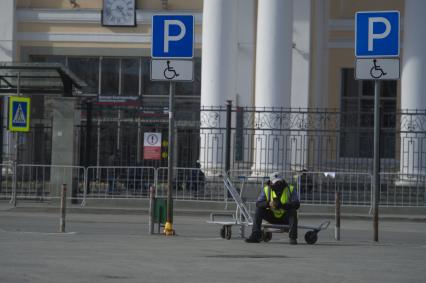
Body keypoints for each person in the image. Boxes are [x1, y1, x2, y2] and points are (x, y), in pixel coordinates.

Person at [245, 172, 300, 244]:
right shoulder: (266, 189)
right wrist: (268, 204)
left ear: (282, 181)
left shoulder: (290, 189)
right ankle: (255, 236)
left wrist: (282, 205)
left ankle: (293, 237)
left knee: (292, 211)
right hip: (272, 216)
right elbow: (258, 204)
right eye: (275, 182)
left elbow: (296, 204)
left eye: (279, 182)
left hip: (285, 217)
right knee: (259, 210)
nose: (278, 184)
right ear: (270, 182)